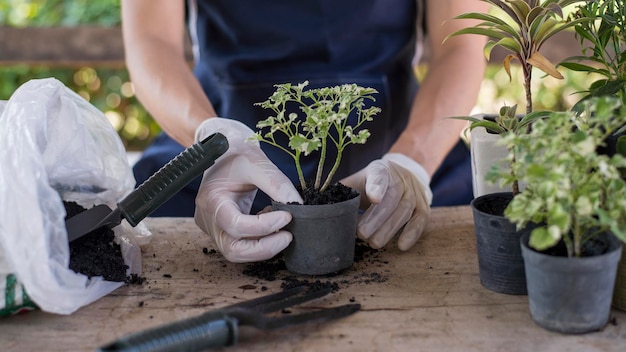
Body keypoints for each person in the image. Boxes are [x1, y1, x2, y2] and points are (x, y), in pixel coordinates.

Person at [120, 0, 488, 263]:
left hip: (398, 136)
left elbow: (461, 42)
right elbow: (152, 41)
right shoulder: (216, 140)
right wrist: (213, 141)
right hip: (223, 127)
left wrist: (413, 162)